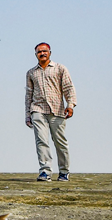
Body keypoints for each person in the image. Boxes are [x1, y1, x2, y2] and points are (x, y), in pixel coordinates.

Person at [25, 43, 76, 181]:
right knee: (41, 140)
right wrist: (27, 114)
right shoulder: (31, 73)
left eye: (44, 51)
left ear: (50, 53)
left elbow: (68, 87)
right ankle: (45, 171)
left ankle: (64, 171)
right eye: (39, 52)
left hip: (57, 110)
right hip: (38, 109)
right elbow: (28, 94)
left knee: (60, 142)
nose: (42, 54)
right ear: (36, 55)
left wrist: (70, 105)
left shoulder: (60, 68)